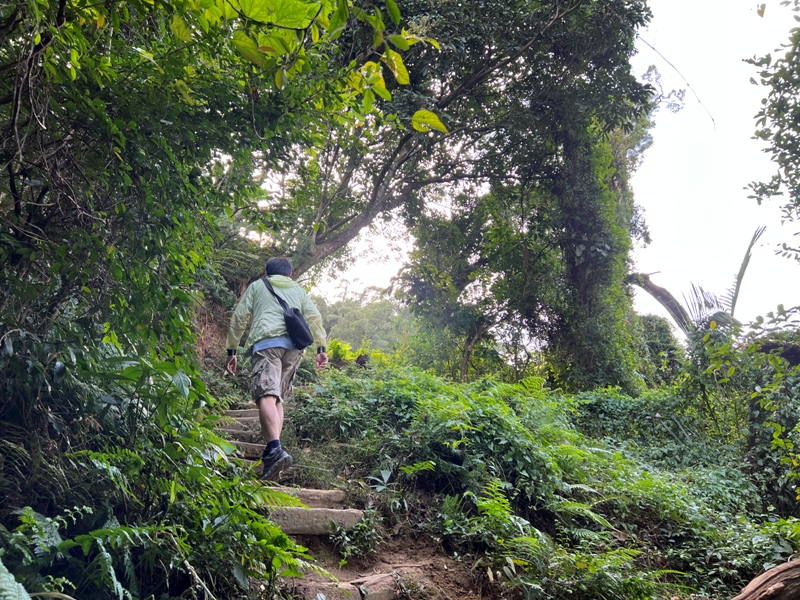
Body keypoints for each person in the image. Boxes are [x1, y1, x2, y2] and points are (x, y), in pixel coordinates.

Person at [225, 257, 328, 480]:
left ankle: (274, 448)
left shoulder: (258, 286)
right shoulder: (298, 290)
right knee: (277, 398)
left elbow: (240, 317)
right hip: (294, 347)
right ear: (290, 274)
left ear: (266, 272)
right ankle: (275, 451)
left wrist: (231, 351)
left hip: (267, 343)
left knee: (266, 395)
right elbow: (314, 317)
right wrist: (321, 347)